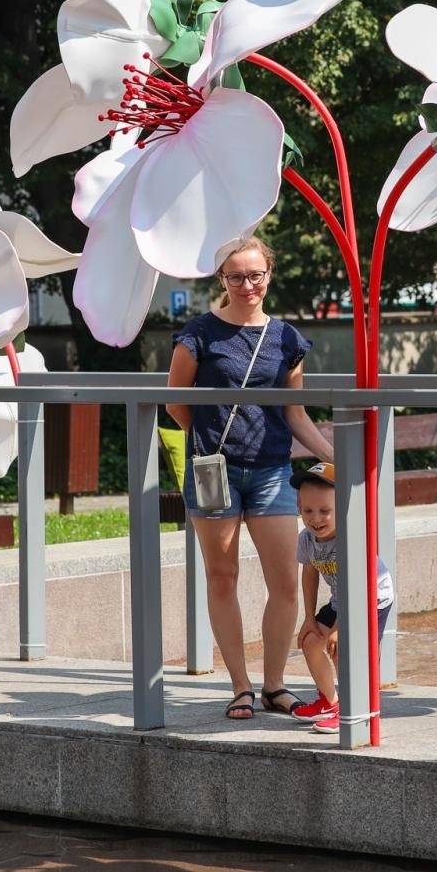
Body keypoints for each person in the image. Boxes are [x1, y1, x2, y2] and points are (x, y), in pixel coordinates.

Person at [165, 236, 334, 721]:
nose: (247, 285)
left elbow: (296, 414)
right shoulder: (198, 333)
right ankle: (240, 686)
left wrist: (331, 456)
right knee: (223, 577)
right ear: (222, 280)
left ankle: (274, 685)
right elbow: (177, 402)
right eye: (236, 276)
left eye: (255, 275)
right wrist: (211, 444)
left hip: (271, 470)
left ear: (268, 276)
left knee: (284, 581)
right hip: (213, 470)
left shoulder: (286, 338)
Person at [287, 461, 395, 735]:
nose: (316, 519)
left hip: (371, 598)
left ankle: (352, 708)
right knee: (311, 642)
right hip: (342, 600)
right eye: (308, 511)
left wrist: (338, 629)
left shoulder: (351, 538)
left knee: (343, 647)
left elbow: (359, 587)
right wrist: (310, 618)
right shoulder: (307, 539)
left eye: (325, 511)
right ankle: (330, 701)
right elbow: (309, 574)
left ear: (343, 509)